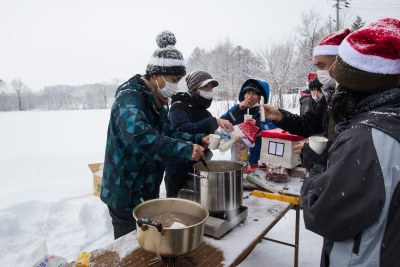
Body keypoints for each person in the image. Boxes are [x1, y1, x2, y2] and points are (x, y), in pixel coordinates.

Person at [301, 18, 400, 267]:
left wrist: (316, 170)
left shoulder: (366, 139)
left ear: (354, 83)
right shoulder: (389, 122)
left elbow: (324, 214)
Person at [101, 31, 209, 239]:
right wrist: (185, 150)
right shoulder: (129, 97)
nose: (176, 86)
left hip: (146, 189)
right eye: (173, 79)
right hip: (124, 192)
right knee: (130, 249)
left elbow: (168, 133)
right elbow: (139, 137)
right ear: (156, 75)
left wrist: (196, 140)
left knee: (147, 243)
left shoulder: (159, 102)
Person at [262, 28, 351, 159]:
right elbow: (308, 124)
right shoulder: (330, 96)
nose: (319, 72)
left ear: (342, 62)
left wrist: (319, 151)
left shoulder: (358, 98)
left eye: (321, 66)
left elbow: (355, 148)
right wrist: (280, 116)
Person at [164, 70, 234, 197]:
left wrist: (226, 139)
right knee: (179, 210)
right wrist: (214, 121)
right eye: (205, 87)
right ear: (194, 88)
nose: (209, 90)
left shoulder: (204, 112)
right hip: (179, 172)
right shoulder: (178, 106)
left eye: (210, 87)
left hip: (200, 168)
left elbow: (208, 136)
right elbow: (181, 131)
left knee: (199, 210)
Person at [220, 78, 276, 165]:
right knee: (238, 172)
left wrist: (257, 125)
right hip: (238, 153)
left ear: (261, 97)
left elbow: (273, 129)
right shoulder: (238, 108)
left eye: (254, 94)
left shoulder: (265, 110)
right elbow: (222, 122)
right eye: (248, 93)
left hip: (258, 155)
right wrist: (237, 109)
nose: (249, 97)